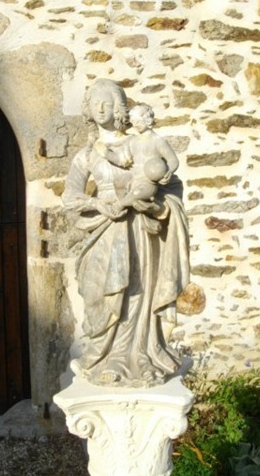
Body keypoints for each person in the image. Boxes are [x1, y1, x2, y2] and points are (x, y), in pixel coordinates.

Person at [62, 79, 189, 387]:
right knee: (98, 294)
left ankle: (131, 358)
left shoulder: (139, 146)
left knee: (135, 291)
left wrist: (154, 205)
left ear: (119, 109)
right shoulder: (87, 155)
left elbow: (171, 190)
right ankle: (102, 355)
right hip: (104, 233)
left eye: (106, 101)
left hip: (137, 233)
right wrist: (98, 204)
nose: (100, 107)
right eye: (94, 102)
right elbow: (69, 198)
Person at [104, 103, 179, 212]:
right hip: (133, 177)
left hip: (148, 181)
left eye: (138, 121)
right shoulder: (132, 140)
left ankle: (121, 205)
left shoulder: (158, 141)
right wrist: (107, 153)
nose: (136, 125)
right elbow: (124, 160)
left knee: (139, 193)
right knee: (118, 181)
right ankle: (126, 202)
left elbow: (173, 160)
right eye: (133, 122)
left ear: (148, 120)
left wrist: (169, 172)